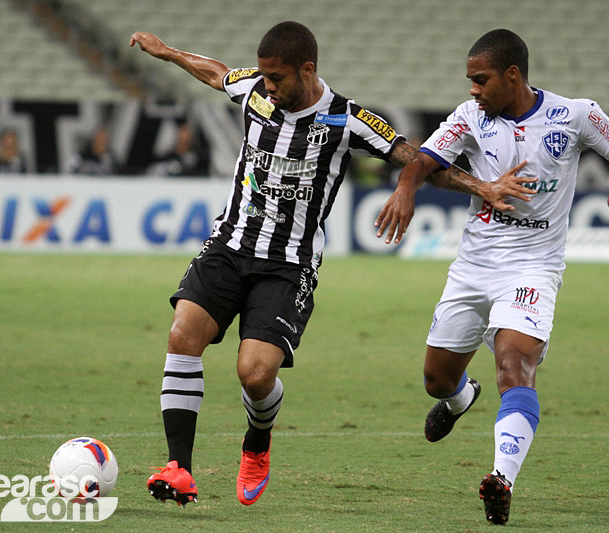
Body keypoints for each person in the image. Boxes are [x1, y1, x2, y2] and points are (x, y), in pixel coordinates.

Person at [129, 21, 515, 508]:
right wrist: (166, 51)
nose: (268, 86)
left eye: (277, 77)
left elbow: (417, 158)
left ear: (306, 70)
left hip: (288, 265)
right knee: (182, 335)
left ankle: (257, 441)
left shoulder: (346, 119)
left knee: (255, 375)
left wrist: (482, 187)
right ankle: (179, 468)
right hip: (229, 245)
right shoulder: (255, 89)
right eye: (264, 76)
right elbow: (215, 73)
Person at [375, 29, 609, 525]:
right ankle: (461, 399)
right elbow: (421, 162)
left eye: (481, 79)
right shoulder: (470, 116)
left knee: (515, 366)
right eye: (470, 80)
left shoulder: (575, 115)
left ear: (512, 74)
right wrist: (405, 190)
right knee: (437, 380)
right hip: (473, 266)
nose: (473, 89)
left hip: (534, 266)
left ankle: (501, 478)